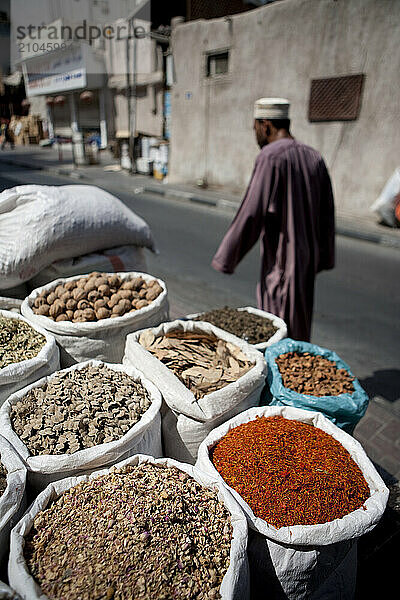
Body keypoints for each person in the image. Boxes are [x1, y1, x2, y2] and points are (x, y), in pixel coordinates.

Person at [211, 98, 335, 341]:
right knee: (300, 326)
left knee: (277, 330)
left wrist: (225, 258)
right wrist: (323, 257)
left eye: (255, 128)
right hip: (306, 262)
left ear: (265, 125)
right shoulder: (314, 157)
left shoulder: (270, 157)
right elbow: (327, 214)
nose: (255, 134)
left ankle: (285, 377)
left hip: (282, 262)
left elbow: (251, 212)